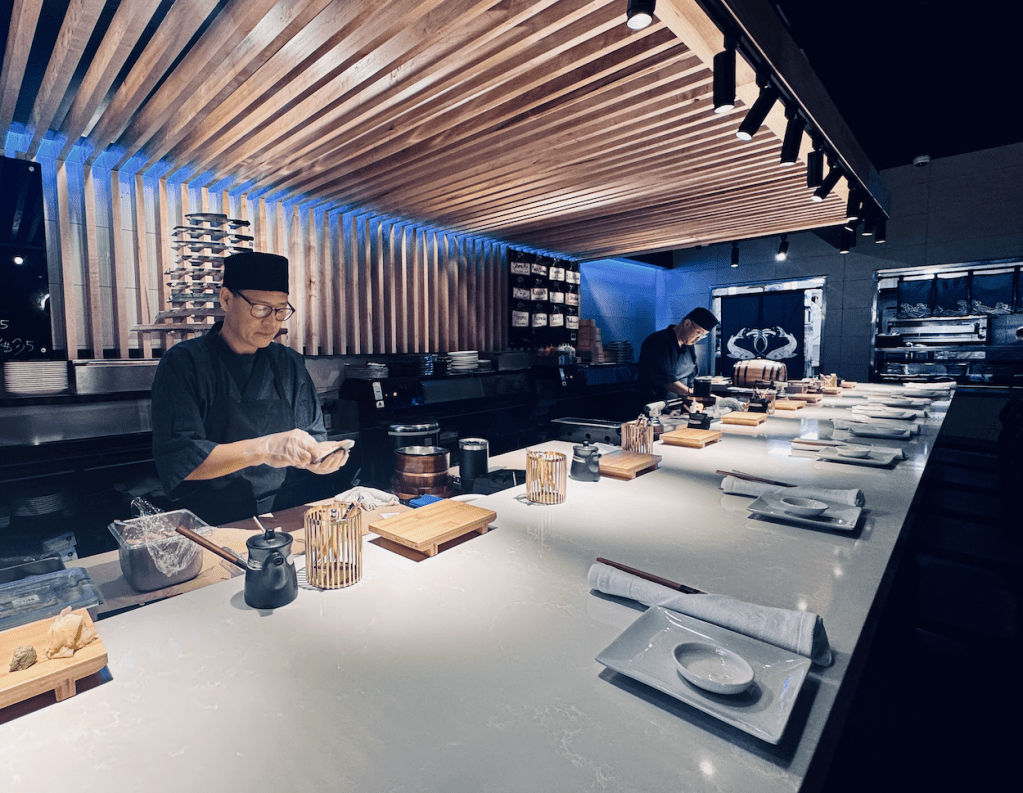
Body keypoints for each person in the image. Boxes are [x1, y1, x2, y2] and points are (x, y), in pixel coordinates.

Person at [151, 251, 352, 525]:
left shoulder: (289, 364)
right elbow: (183, 461)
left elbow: (313, 440)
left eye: (281, 310)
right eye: (260, 309)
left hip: (284, 514)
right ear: (226, 299)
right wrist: (265, 448)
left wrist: (322, 459)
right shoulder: (185, 363)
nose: (272, 323)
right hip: (213, 523)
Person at [634, 306, 719, 412]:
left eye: (703, 336)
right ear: (687, 323)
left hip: (677, 406)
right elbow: (664, 379)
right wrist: (694, 394)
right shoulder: (657, 341)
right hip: (654, 406)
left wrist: (701, 396)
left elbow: (691, 377)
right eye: (698, 333)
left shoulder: (689, 346)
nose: (698, 339)